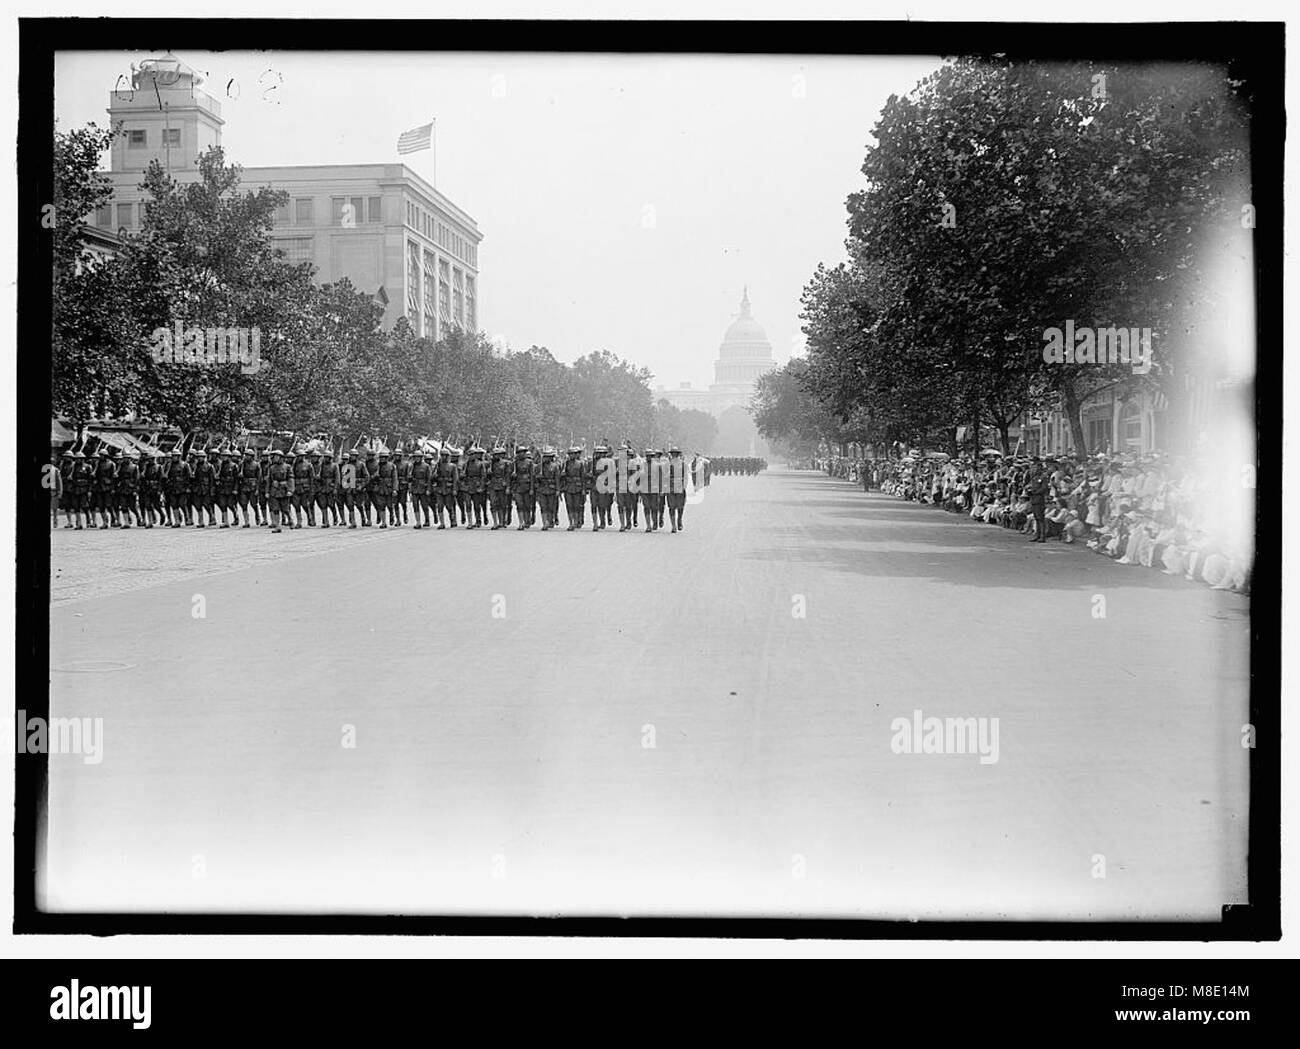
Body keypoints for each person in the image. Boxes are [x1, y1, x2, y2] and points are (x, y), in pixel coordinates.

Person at [265, 448, 294, 533]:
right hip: (274, 491)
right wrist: (267, 491)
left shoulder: (287, 467)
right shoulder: (271, 468)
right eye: (274, 457)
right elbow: (269, 480)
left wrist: (290, 490)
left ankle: (290, 520)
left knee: (285, 509)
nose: (274, 458)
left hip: (284, 490)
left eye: (276, 456)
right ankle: (277, 526)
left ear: (281, 457)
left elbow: (291, 479)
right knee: (275, 509)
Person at [238, 448, 262, 528]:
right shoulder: (242, 464)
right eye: (245, 455)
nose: (246, 457)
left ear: (251, 456)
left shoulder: (256, 464)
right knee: (243, 504)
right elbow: (238, 475)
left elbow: (259, 478)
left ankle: (257, 514)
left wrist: (257, 489)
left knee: (253, 503)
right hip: (244, 486)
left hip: (253, 486)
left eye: (248, 455)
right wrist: (240, 475)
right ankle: (246, 521)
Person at [665, 446, 688, 532]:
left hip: (680, 487)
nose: (674, 455)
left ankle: (679, 520)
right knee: (671, 507)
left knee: (680, 506)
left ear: (678, 454)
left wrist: (684, 486)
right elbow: (665, 476)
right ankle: (673, 525)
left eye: (675, 453)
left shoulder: (683, 464)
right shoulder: (668, 464)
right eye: (672, 453)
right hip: (670, 488)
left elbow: (685, 476)